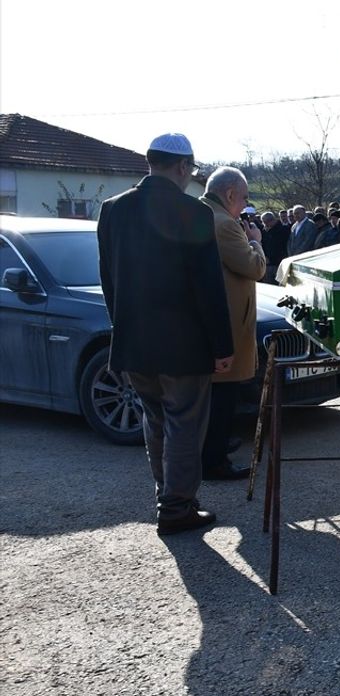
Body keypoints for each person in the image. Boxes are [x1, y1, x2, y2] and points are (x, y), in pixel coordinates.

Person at [96, 133, 233, 535]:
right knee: (184, 425)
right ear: (181, 166)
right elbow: (208, 288)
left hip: (135, 341)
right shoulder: (192, 212)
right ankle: (176, 508)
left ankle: (166, 497)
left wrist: (120, 328)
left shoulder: (112, 210)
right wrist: (222, 346)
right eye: (190, 168)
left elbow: (109, 281)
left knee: (154, 421)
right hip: (184, 345)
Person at [198, 167, 267, 482]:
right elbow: (254, 268)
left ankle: (214, 448)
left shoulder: (203, 214)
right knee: (222, 397)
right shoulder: (225, 224)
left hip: (216, 322)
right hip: (228, 325)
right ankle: (215, 459)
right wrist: (256, 242)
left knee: (215, 398)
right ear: (228, 195)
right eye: (243, 197)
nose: (244, 204)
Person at [259, 211, 289, 282]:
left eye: (264, 222)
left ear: (269, 221)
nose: (264, 225)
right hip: (268, 263)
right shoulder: (265, 231)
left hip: (279, 264)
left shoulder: (283, 230)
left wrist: (271, 259)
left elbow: (280, 247)